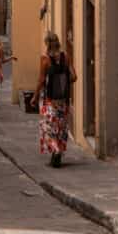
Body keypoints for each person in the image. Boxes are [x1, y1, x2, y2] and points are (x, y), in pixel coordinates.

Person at [35, 31, 77, 167]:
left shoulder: (45, 59)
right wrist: (63, 80)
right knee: (61, 128)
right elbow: (74, 76)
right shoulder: (66, 57)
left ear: (47, 44)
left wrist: (35, 96)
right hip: (63, 101)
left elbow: (41, 80)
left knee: (48, 127)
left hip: (50, 101)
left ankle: (56, 150)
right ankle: (57, 154)